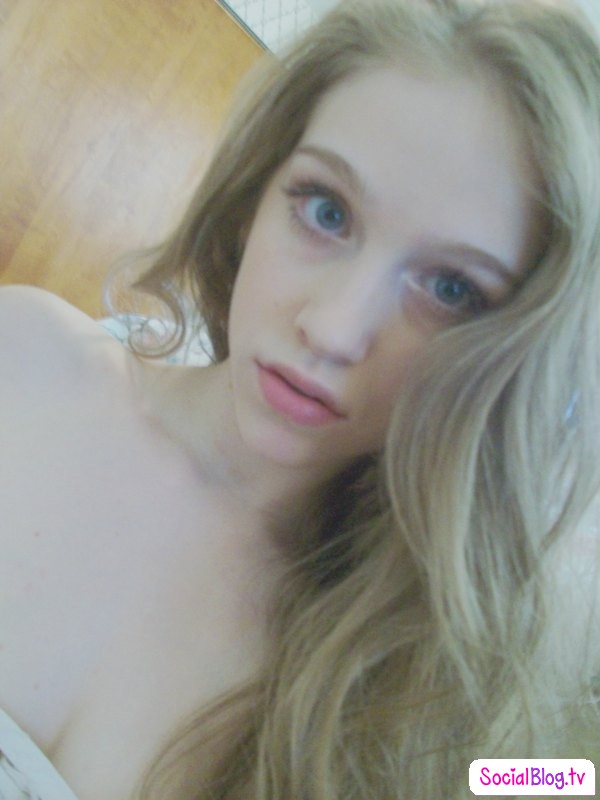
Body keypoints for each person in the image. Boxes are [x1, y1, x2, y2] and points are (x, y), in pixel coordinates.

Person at [1, 0, 599, 798]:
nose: (334, 329)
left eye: (452, 290)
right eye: (326, 210)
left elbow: (550, 776)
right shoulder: (21, 358)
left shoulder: (410, 682)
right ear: (254, 195)